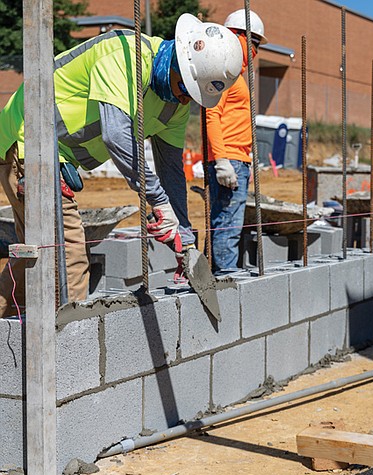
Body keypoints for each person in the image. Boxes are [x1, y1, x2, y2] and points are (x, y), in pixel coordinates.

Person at [0, 14, 243, 315]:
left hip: (57, 153)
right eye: (184, 87)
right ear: (177, 59)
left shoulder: (175, 107)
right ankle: (72, 350)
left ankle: (10, 338)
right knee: (68, 258)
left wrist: (183, 235)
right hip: (28, 140)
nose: (183, 99)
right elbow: (117, 136)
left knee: (35, 256)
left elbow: (171, 171)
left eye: (192, 96)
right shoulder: (124, 56)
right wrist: (157, 200)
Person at [206, 9, 267, 274]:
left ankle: (221, 273)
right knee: (228, 223)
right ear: (235, 37)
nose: (254, 50)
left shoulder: (237, 75)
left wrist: (247, 160)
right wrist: (222, 161)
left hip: (238, 159)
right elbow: (212, 115)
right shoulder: (224, 72)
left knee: (229, 219)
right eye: (251, 42)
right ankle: (226, 276)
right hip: (229, 158)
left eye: (257, 45)